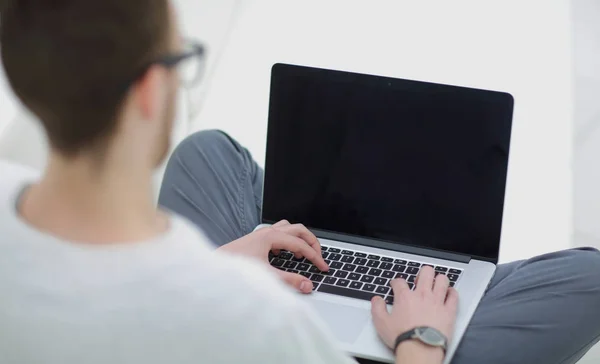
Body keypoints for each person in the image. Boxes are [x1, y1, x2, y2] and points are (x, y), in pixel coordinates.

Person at [0, 1, 598, 364]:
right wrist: (420, 338)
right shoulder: (255, 316)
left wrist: (221, 260)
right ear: (150, 90)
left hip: (207, 290)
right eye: (181, 57)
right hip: (286, 334)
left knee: (207, 151)